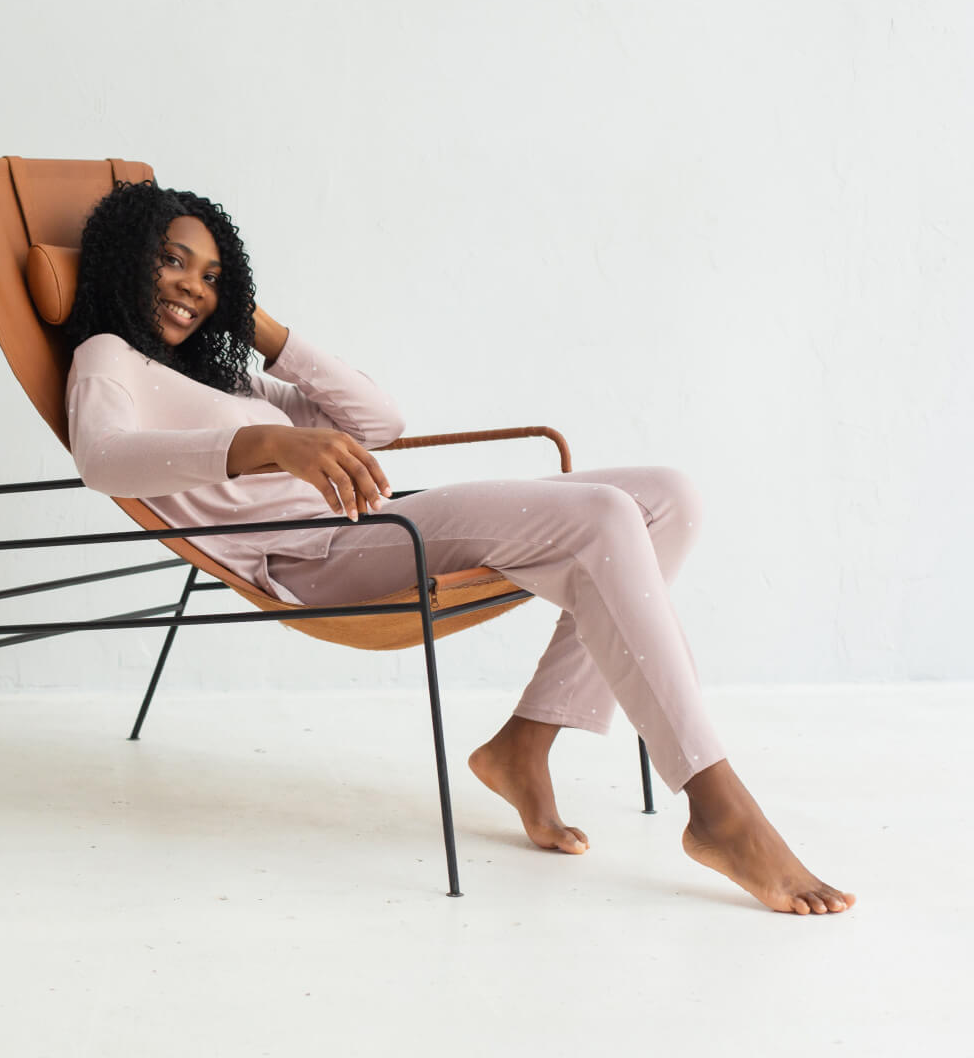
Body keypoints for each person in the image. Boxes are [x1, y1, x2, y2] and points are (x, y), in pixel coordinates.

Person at [63, 178, 855, 916]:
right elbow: (101, 459)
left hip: (373, 526)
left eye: (211, 275)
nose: (191, 288)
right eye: (172, 261)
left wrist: (258, 327)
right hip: (318, 562)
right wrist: (266, 445)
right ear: (128, 259)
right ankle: (718, 808)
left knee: (668, 498)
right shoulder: (109, 359)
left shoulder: (230, 381)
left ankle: (526, 743)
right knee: (607, 516)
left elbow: (379, 423)